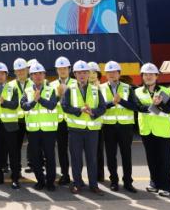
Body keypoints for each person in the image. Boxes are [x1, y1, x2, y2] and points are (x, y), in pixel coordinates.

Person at [62, 60, 106, 195]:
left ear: (88, 74)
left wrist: (93, 112)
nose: (82, 75)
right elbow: (65, 106)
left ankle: (94, 185)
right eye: (79, 73)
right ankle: (77, 183)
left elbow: (102, 107)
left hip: (92, 131)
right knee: (76, 159)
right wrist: (79, 110)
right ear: (75, 74)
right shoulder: (69, 89)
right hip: (75, 131)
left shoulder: (95, 89)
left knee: (92, 159)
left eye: (85, 72)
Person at [135, 63, 170, 197]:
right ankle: (154, 184)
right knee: (151, 158)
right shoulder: (138, 91)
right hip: (146, 130)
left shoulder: (165, 91)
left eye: (151, 74)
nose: (148, 77)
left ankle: (165, 187)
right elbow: (138, 107)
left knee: (164, 160)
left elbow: (169, 109)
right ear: (142, 77)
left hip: (162, 130)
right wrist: (154, 106)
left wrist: (160, 104)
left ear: (157, 76)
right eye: (146, 74)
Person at [20, 61, 58, 192]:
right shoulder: (27, 91)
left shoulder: (51, 89)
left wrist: (39, 99)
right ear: (31, 76)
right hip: (33, 131)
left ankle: (50, 182)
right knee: (35, 157)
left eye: (40, 73)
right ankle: (40, 181)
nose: (38, 76)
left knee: (50, 157)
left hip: (49, 130)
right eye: (35, 74)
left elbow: (52, 105)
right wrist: (34, 101)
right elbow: (24, 106)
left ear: (44, 75)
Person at [101, 60, 137, 193]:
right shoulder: (100, 88)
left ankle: (128, 182)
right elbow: (99, 107)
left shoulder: (128, 88)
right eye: (109, 72)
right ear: (105, 74)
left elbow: (135, 106)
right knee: (111, 155)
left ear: (119, 73)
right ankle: (114, 181)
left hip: (125, 127)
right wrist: (112, 103)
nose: (111, 74)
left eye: (114, 72)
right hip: (108, 126)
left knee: (126, 155)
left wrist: (121, 101)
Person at [50, 56, 75, 186]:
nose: (62, 71)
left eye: (65, 68)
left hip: (73, 121)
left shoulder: (76, 83)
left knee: (75, 151)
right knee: (61, 150)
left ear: (69, 69)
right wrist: (58, 95)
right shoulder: (51, 85)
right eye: (60, 69)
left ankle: (77, 176)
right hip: (59, 122)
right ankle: (65, 175)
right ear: (56, 70)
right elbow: (50, 103)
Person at [11, 58, 30, 174]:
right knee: (15, 147)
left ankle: (36, 168)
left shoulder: (34, 84)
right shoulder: (10, 85)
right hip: (16, 121)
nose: (20, 72)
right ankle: (16, 171)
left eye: (22, 69)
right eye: (18, 70)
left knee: (34, 147)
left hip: (31, 120)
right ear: (14, 72)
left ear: (27, 70)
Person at [88, 61, 106, 182]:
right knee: (89, 153)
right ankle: (92, 175)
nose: (92, 75)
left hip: (99, 124)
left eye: (95, 72)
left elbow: (105, 105)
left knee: (99, 151)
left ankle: (99, 175)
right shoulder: (83, 88)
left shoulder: (102, 88)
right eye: (90, 72)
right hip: (86, 124)